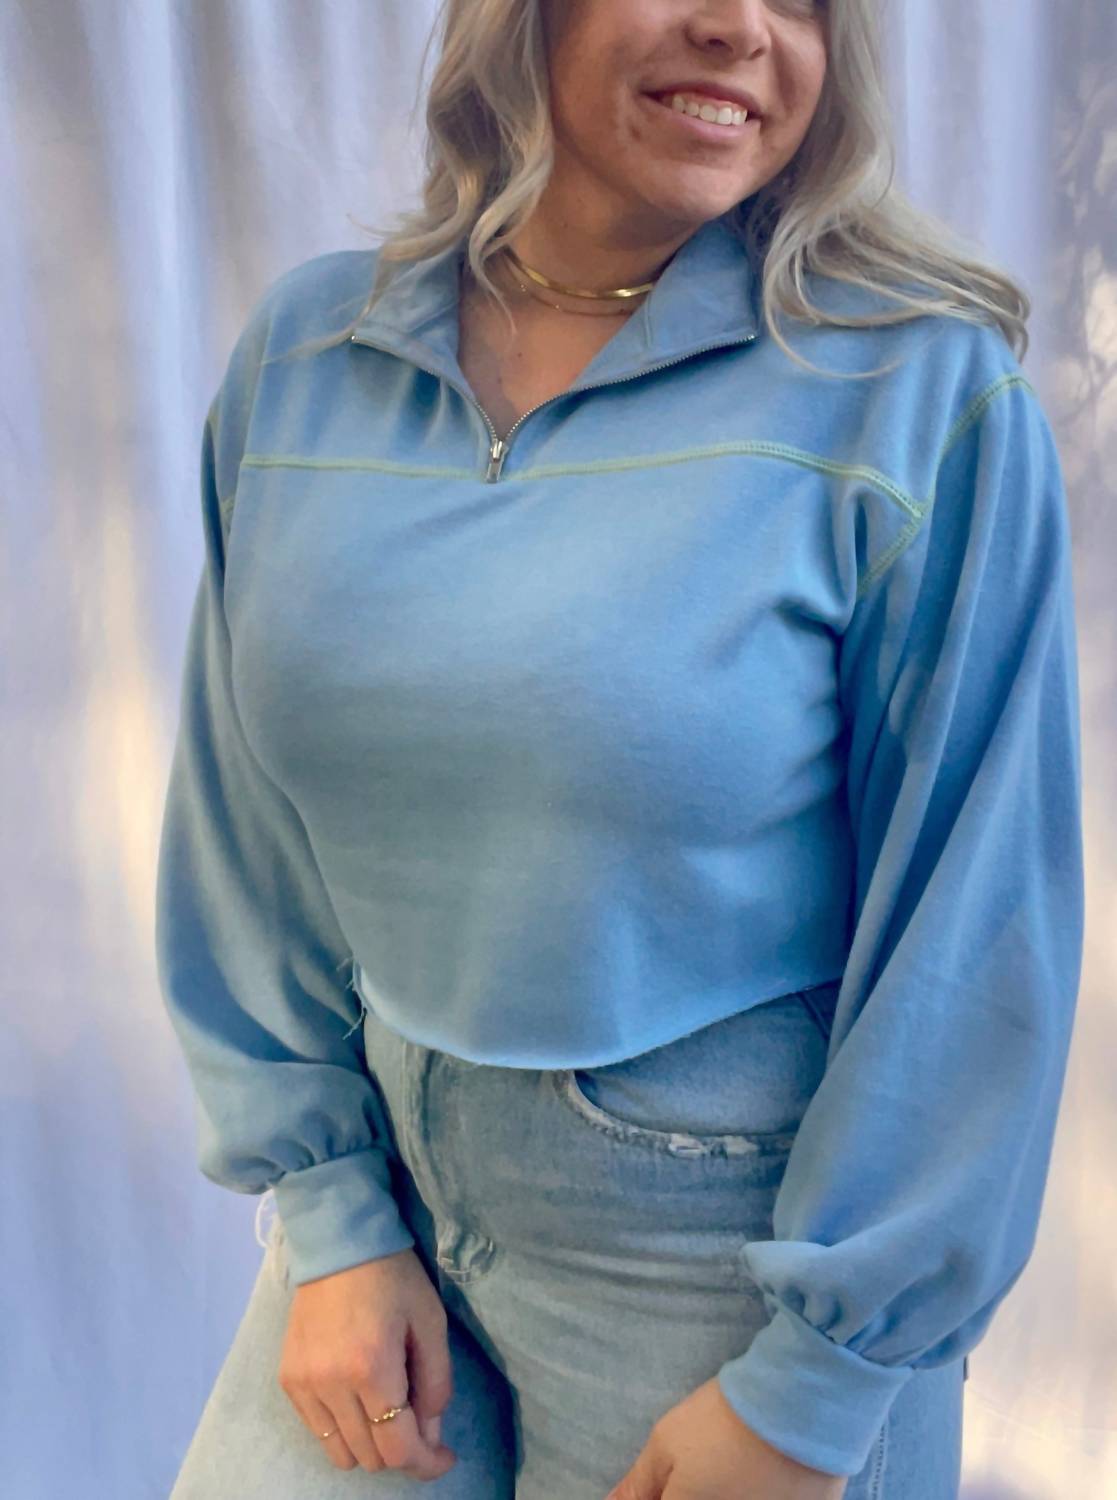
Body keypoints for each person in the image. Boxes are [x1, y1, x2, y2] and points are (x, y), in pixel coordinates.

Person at [154, 1, 1084, 1497]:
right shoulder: (311, 353)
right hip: (390, 1203)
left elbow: (975, 921)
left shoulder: (912, 390)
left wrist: (815, 1388)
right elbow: (241, 818)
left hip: (729, 1269)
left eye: (798, 0)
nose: (737, 27)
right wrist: (329, 1214)